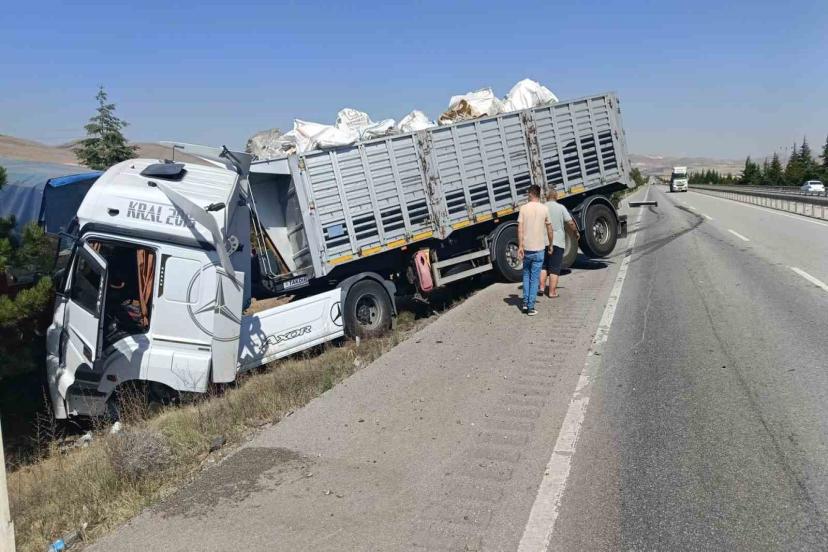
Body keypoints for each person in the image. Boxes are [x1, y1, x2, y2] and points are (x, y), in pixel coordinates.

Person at [517, 185, 553, 316]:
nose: (527, 196)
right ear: (539, 194)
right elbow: (549, 229)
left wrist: (520, 246)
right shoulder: (544, 209)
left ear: (531, 194)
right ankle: (531, 307)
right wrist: (551, 244)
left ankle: (525, 304)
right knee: (534, 278)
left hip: (527, 248)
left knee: (526, 275)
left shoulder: (523, 209)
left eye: (528, 194)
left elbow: (520, 229)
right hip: (539, 249)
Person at [540, 189, 580, 298]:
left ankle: (541, 288)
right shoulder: (561, 207)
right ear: (556, 197)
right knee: (554, 268)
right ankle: (552, 292)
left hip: (543, 241)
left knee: (543, 266)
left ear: (547, 197)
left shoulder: (542, 208)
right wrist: (576, 232)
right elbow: (570, 222)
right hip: (557, 241)